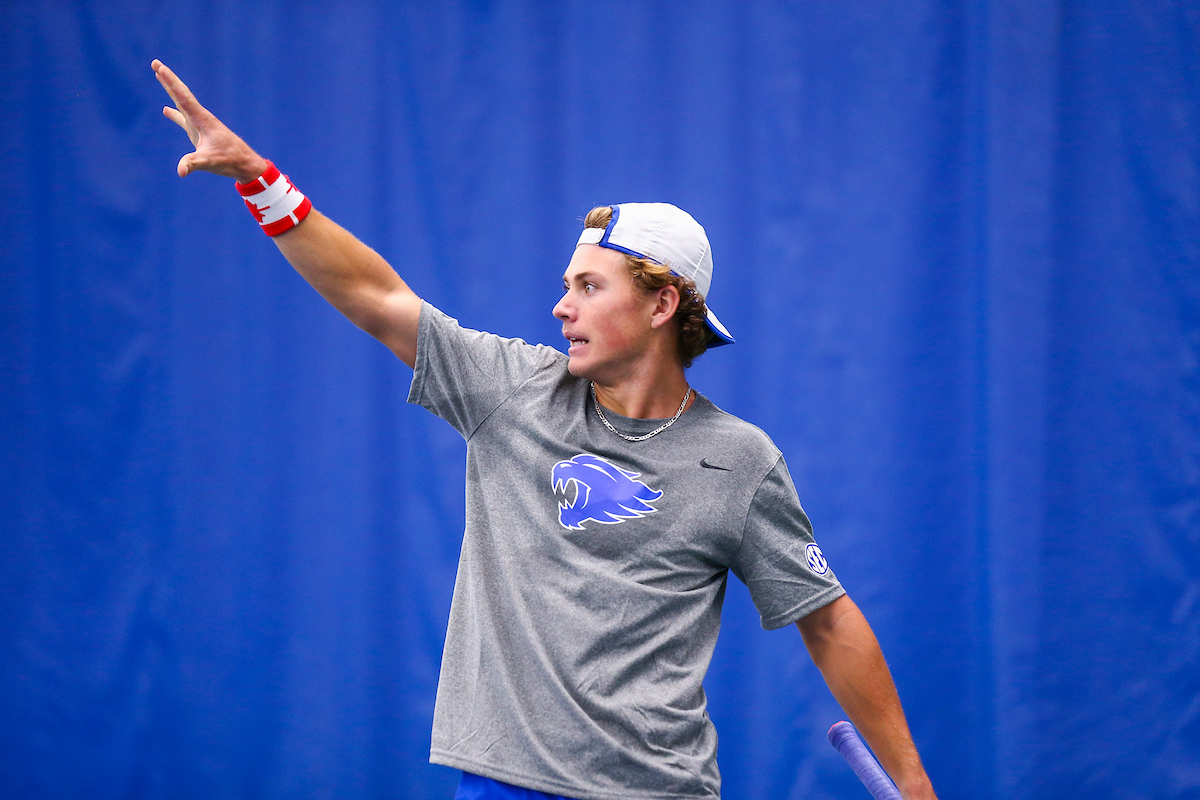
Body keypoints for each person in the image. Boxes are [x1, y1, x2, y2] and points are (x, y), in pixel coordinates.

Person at [151, 59, 938, 800]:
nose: (561, 306)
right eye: (566, 285)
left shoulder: (740, 461)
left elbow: (827, 619)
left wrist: (913, 784)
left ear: (662, 305)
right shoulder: (512, 390)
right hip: (501, 783)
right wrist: (258, 179)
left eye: (589, 286)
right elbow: (376, 297)